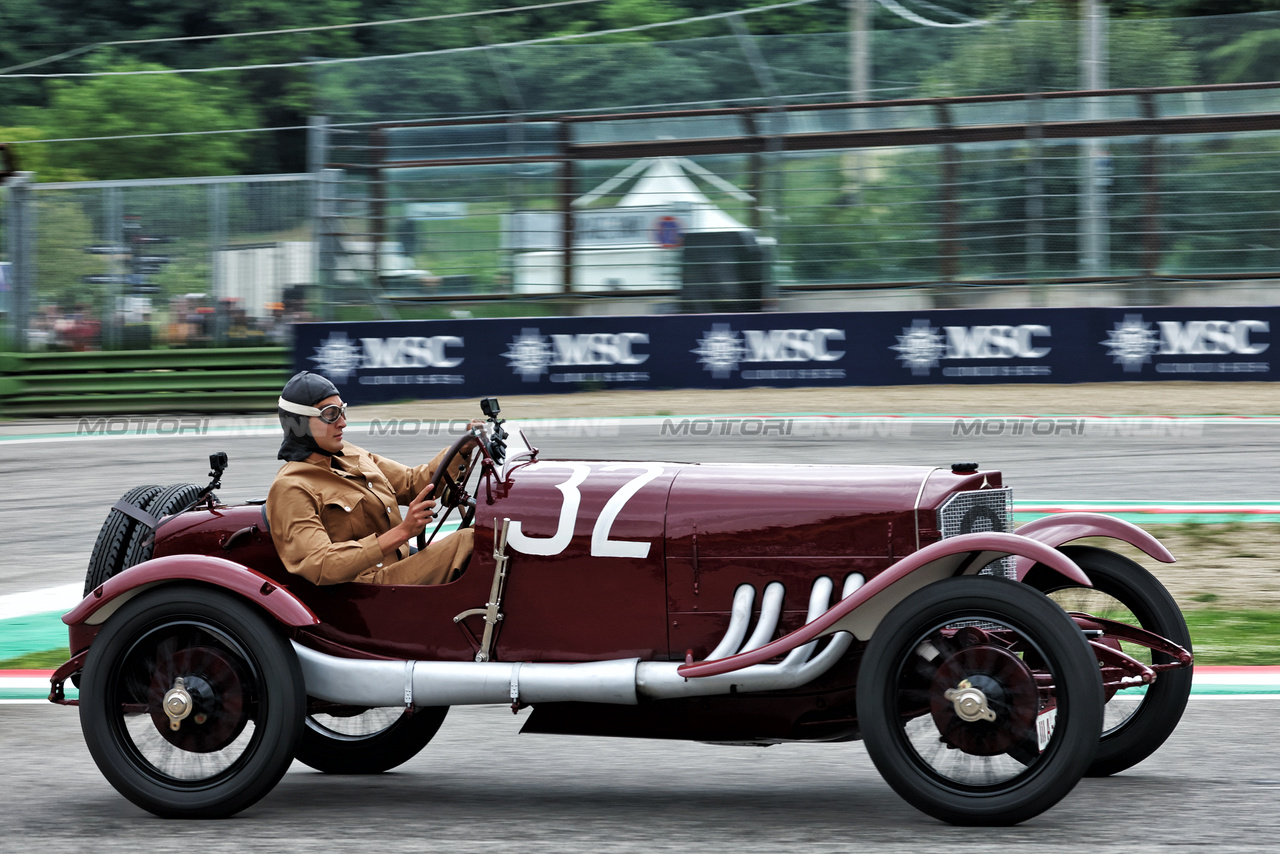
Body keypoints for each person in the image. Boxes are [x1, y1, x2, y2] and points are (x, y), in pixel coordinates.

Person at [266, 371, 477, 586]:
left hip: (401, 563)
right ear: (299, 423)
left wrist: (462, 449)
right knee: (470, 541)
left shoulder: (350, 453)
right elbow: (320, 563)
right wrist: (403, 532)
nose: (343, 423)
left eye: (342, 411)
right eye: (330, 414)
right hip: (368, 588)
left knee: (487, 536)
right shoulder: (291, 487)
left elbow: (412, 483)